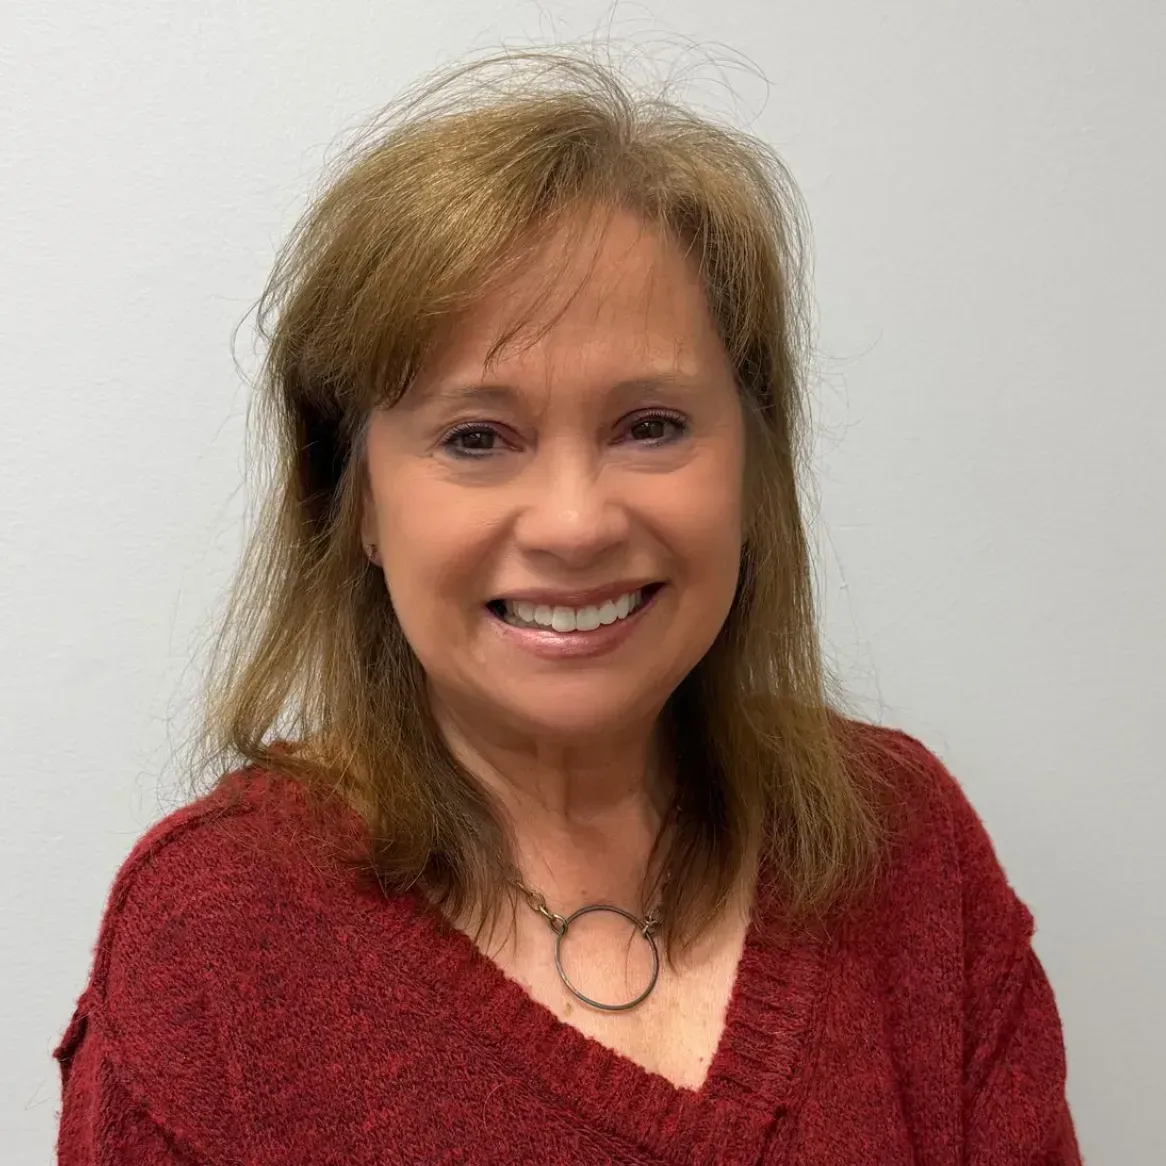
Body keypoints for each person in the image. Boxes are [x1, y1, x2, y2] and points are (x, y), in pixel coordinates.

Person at [53, 51, 1080, 1164]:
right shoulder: (208, 942)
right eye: (476, 437)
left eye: (651, 425)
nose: (575, 523)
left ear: (752, 468)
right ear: (352, 500)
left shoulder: (907, 846)